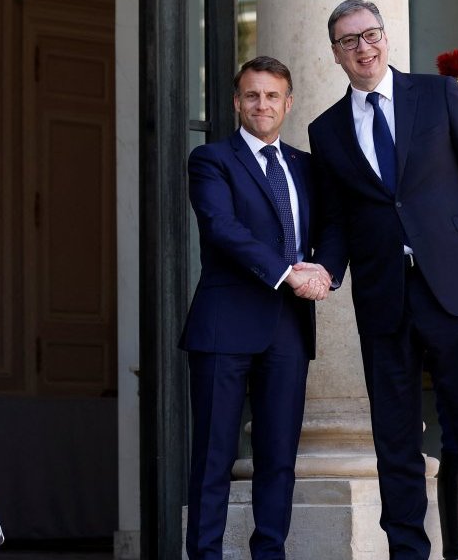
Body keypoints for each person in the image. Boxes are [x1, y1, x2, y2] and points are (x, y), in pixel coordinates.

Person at [304, 0, 458, 560]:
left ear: (385, 36)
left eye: (370, 34)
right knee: (395, 441)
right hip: (385, 299)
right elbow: (336, 219)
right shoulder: (325, 130)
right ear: (335, 54)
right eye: (349, 41)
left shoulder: (439, 95)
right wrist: (326, 270)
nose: (363, 48)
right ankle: (408, 552)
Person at [180, 56, 330, 559]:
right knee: (213, 457)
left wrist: (325, 270)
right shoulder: (211, 160)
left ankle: (270, 553)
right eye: (251, 95)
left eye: (271, 96)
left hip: (289, 328)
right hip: (224, 325)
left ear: (288, 104)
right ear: (236, 102)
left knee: (279, 458)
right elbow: (222, 229)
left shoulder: (306, 167)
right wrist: (289, 273)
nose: (261, 104)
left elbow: (333, 226)